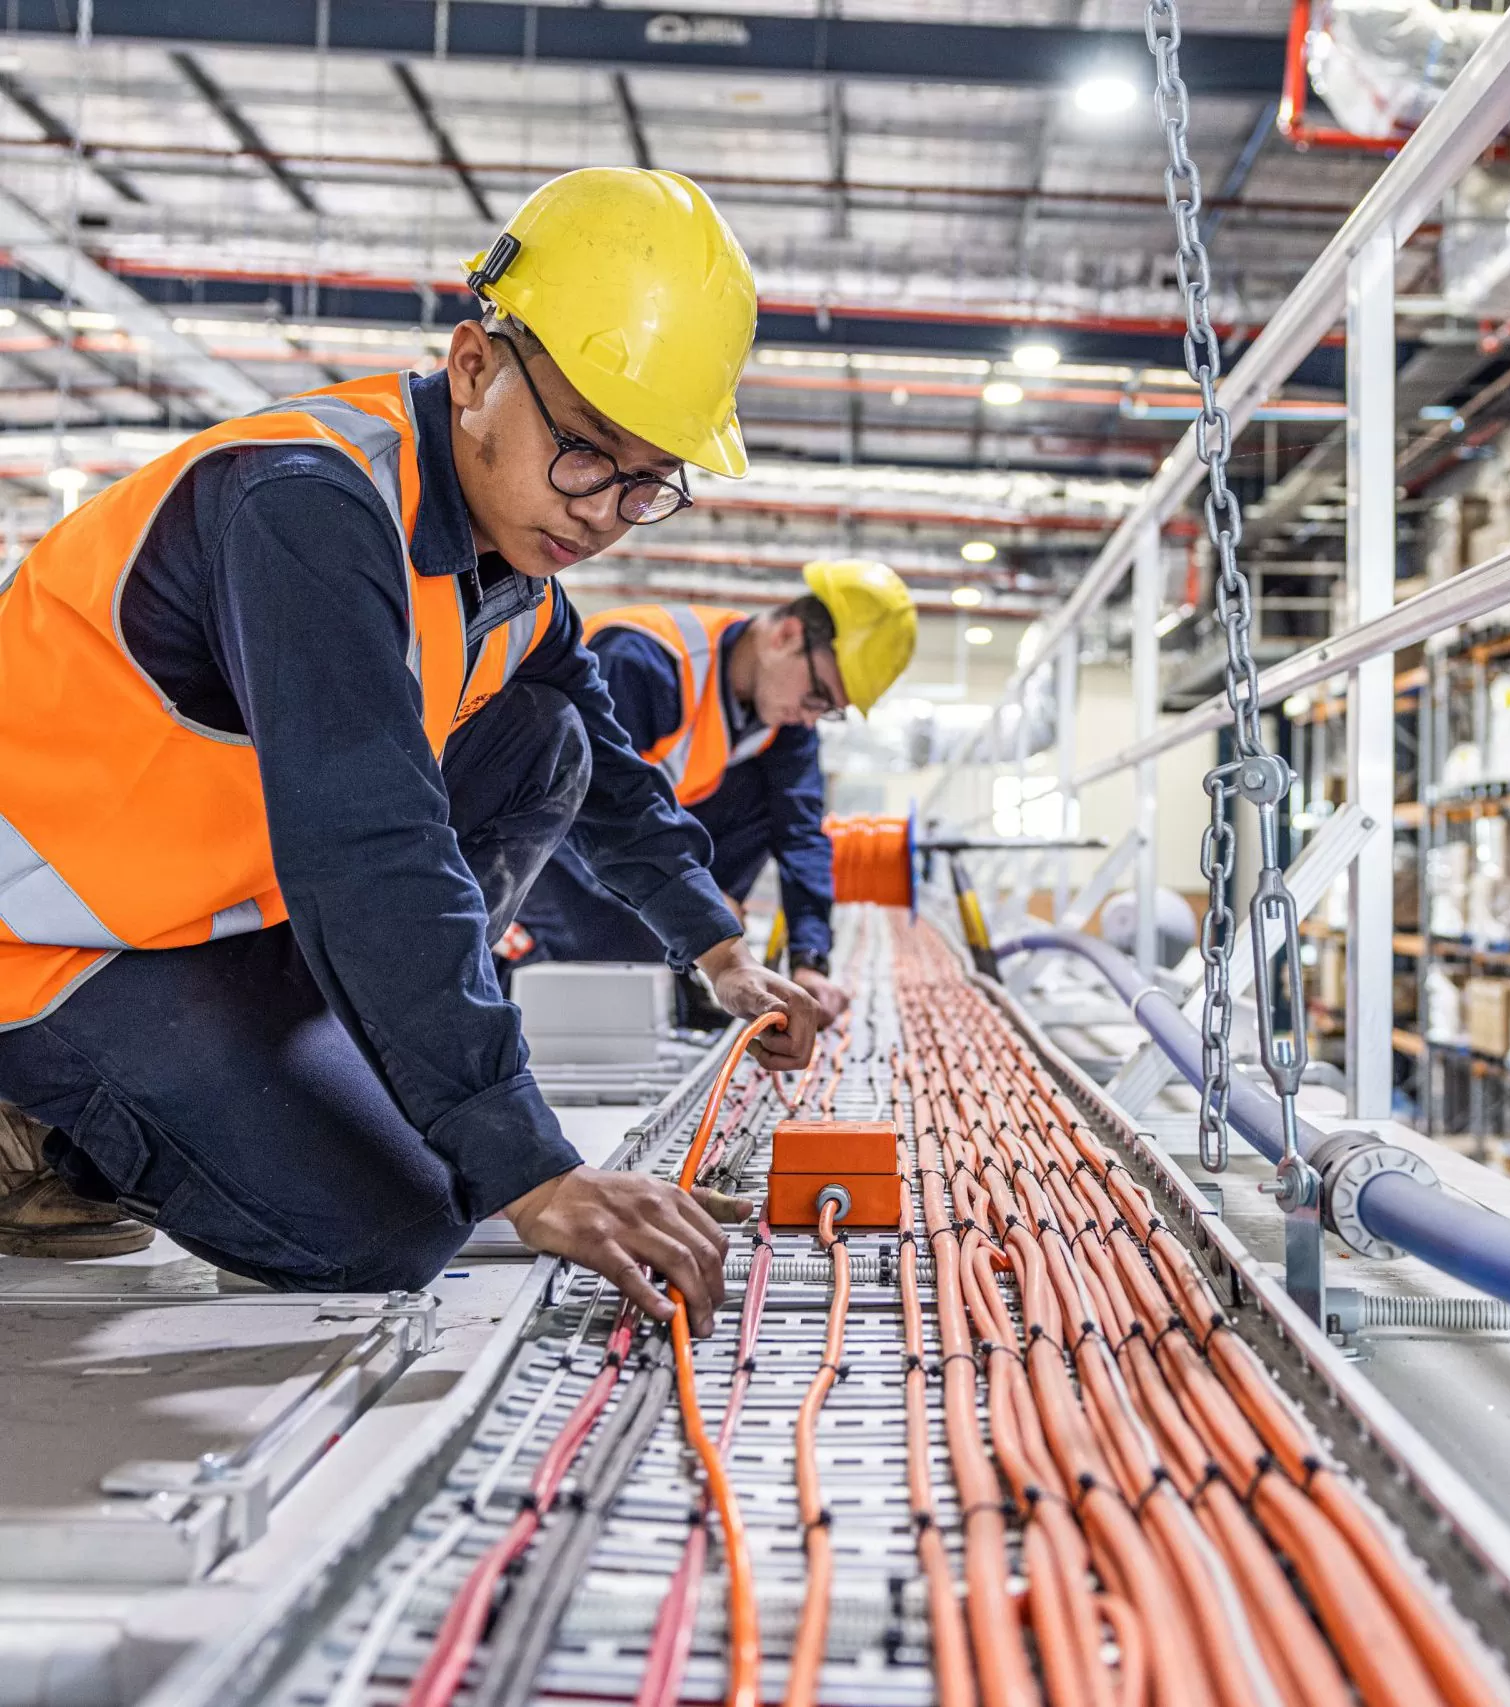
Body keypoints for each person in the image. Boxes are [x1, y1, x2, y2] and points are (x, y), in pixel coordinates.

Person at [0, 168, 820, 1336]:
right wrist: (527, 1164)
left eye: (647, 484)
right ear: (477, 366)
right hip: (44, 945)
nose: (601, 511)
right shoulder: (307, 510)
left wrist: (720, 948)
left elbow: (599, 756)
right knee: (381, 1230)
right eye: (587, 451)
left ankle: (349, 1059)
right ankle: (40, 1128)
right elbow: (371, 846)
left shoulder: (512, 567)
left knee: (543, 742)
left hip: (189, 919)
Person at [505, 561, 916, 1024]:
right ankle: (519, 958)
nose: (810, 717)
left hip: (641, 839)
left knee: (770, 808)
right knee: (609, 955)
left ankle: (680, 960)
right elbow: (611, 814)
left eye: (829, 711)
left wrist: (810, 960)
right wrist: (705, 928)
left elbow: (800, 834)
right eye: (818, 696)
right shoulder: (642, 660)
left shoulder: (784, 716)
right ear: (786, 636)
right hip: (561, 833)